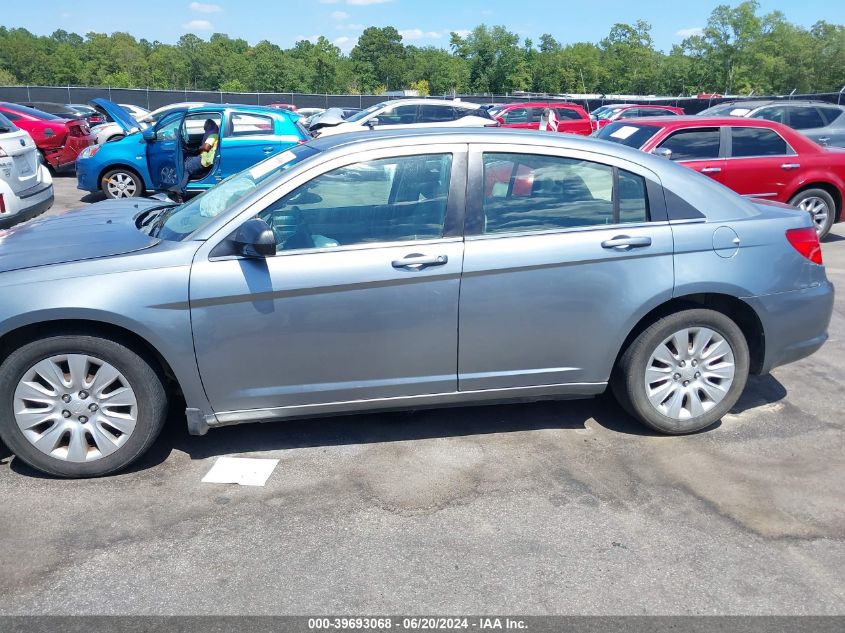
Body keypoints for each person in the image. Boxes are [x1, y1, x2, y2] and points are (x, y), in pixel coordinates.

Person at [168, 118, 219, 202]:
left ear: (210, 126)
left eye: (206, 127)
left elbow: (206, 147)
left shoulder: (213, 135)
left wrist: (198, 148)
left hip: (205, 160)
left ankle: (180, 190)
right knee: (188, 159)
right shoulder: (213, 134)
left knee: (185, 167)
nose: (205, 129)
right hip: (204, 158)